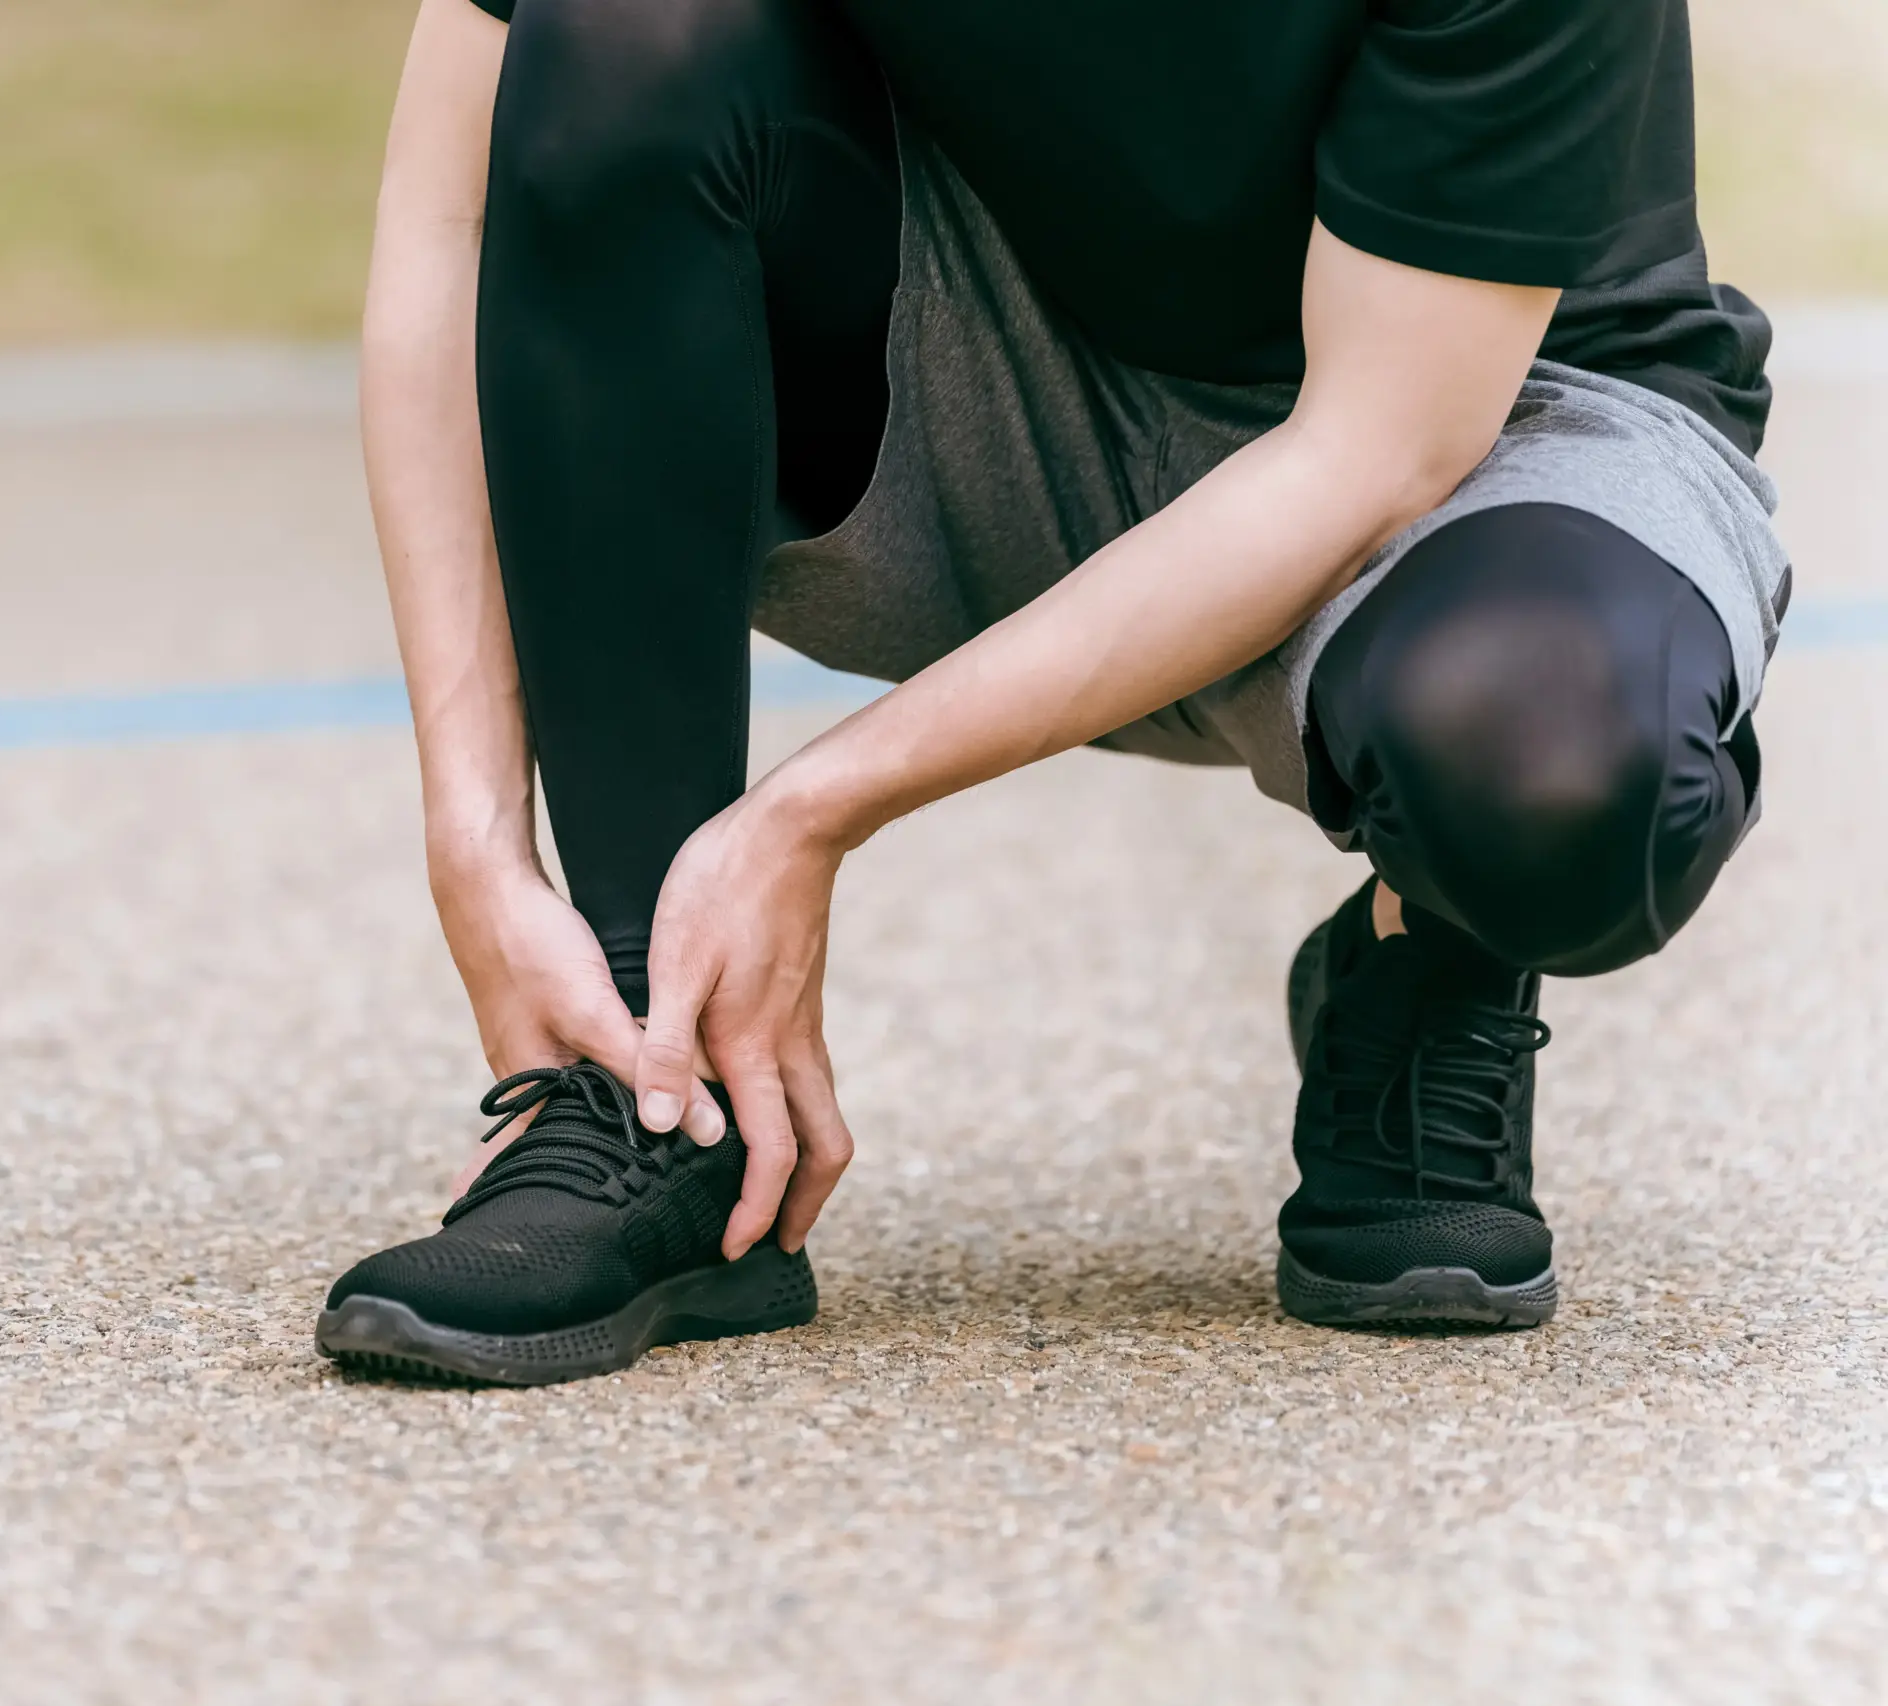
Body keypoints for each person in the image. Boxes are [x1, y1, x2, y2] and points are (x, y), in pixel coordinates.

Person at [313, 0, 1787, 1385]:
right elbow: (457, 215)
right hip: (985, 342)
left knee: (1555, 773)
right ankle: (656, 1082)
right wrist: (476, 841)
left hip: (1474, 432)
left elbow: (1378, 451)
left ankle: (1426, 959)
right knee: (625, 31)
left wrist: (811, 810)